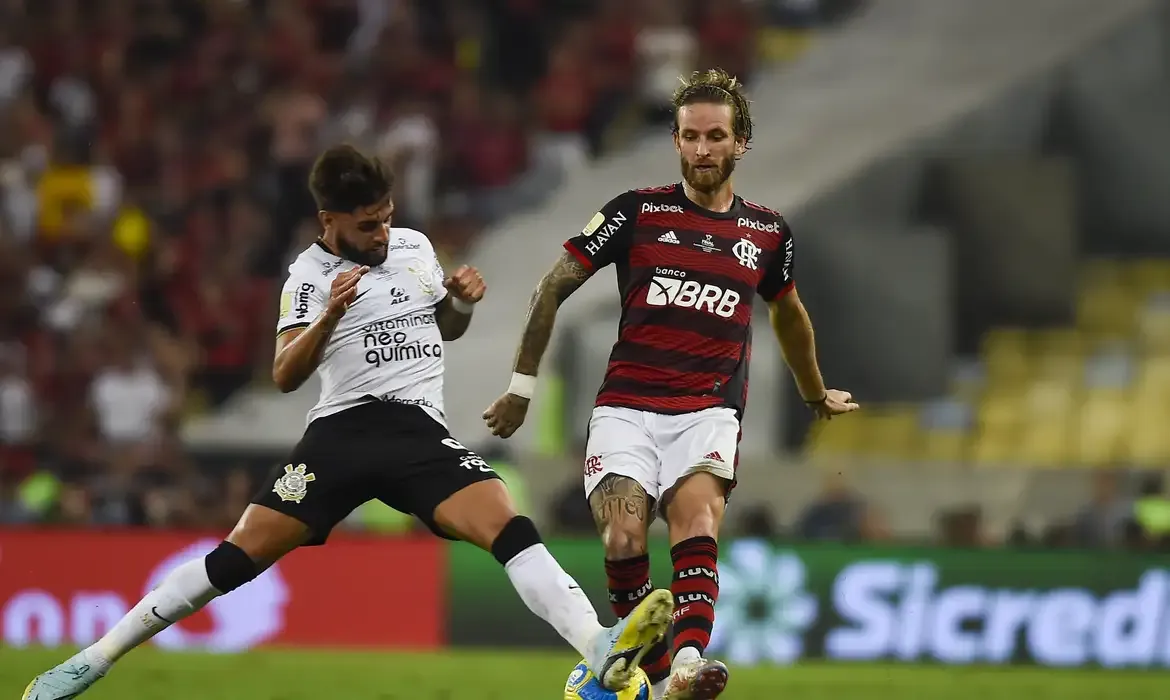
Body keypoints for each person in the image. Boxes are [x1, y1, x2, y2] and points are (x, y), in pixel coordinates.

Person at [23, 145, 672, 700]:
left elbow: (441, 330)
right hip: (342, 433)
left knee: (509, 523)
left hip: (418, 431)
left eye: (386, 218)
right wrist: (330, 317)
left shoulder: (414, 246)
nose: (382, 234)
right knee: (234, 559)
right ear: (328, 219)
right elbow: (283, 374)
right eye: (367, 225)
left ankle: (599, 653)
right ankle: (93, 659)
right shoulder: (307, 277)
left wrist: (460, 304)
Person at [483, 69, 858, 700]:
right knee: (623, 534)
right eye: (691, 136)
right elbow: (553, 286)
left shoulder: (767, 234)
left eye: (716, 136)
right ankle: (657, 680)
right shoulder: (636, 211)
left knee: (696, 522)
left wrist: (814, 392)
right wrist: (521, 386)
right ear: (676, 141)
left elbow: (789, 316)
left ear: (741, 143)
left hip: (708, 409)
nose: (703, 149)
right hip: (626, 406)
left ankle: (685, 663)